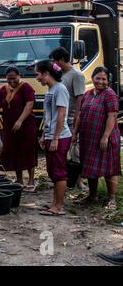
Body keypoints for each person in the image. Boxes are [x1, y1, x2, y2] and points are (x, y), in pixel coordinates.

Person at [72, 67, 121, 210]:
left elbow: (112, 116)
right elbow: (80, 116)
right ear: (92, 78)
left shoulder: (109, 94)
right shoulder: (87, 94)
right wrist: (75, 133)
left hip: (105, 138)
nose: (100, 82)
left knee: (110, 168)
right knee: (89, 166)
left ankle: (112, 199)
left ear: (108, 81)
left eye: (104, 79)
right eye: (98, 78)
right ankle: (92, 196)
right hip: (88, 139)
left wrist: (105, 137)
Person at [35, 60, 72, 216]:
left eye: (38, 74)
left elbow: (61, 115)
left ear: (46, 74)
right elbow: (49, 116)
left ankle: (59, 207)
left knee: (59, 172)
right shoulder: (51, 89)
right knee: (53, 172)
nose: (37, 78)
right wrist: (45, 135)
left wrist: (56, 138)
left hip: (61, 137)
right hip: (51, 135)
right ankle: (54, 203)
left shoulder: (60, 89)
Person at [0, 66, 38, 189]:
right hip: (9, 126)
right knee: (14, 150)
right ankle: (19, 179)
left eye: (14, 78)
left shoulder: (26, 87)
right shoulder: (4, 89)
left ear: (19, 76)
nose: (11, 81)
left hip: (26, 125)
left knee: (27, 151)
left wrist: (20, 121)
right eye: (9, 79)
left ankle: (31, 180)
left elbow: (29, 105)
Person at [50, 47, 88, 191]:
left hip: (72, 119)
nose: (53, 63)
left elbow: (80, 99)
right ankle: (64, 180)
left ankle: (79, 181)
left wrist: (77, 121)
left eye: (54, 60)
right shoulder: (60, 75)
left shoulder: (76, 75)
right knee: (62, 152)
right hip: (62, 119)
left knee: (76, 152)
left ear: (61, 60)